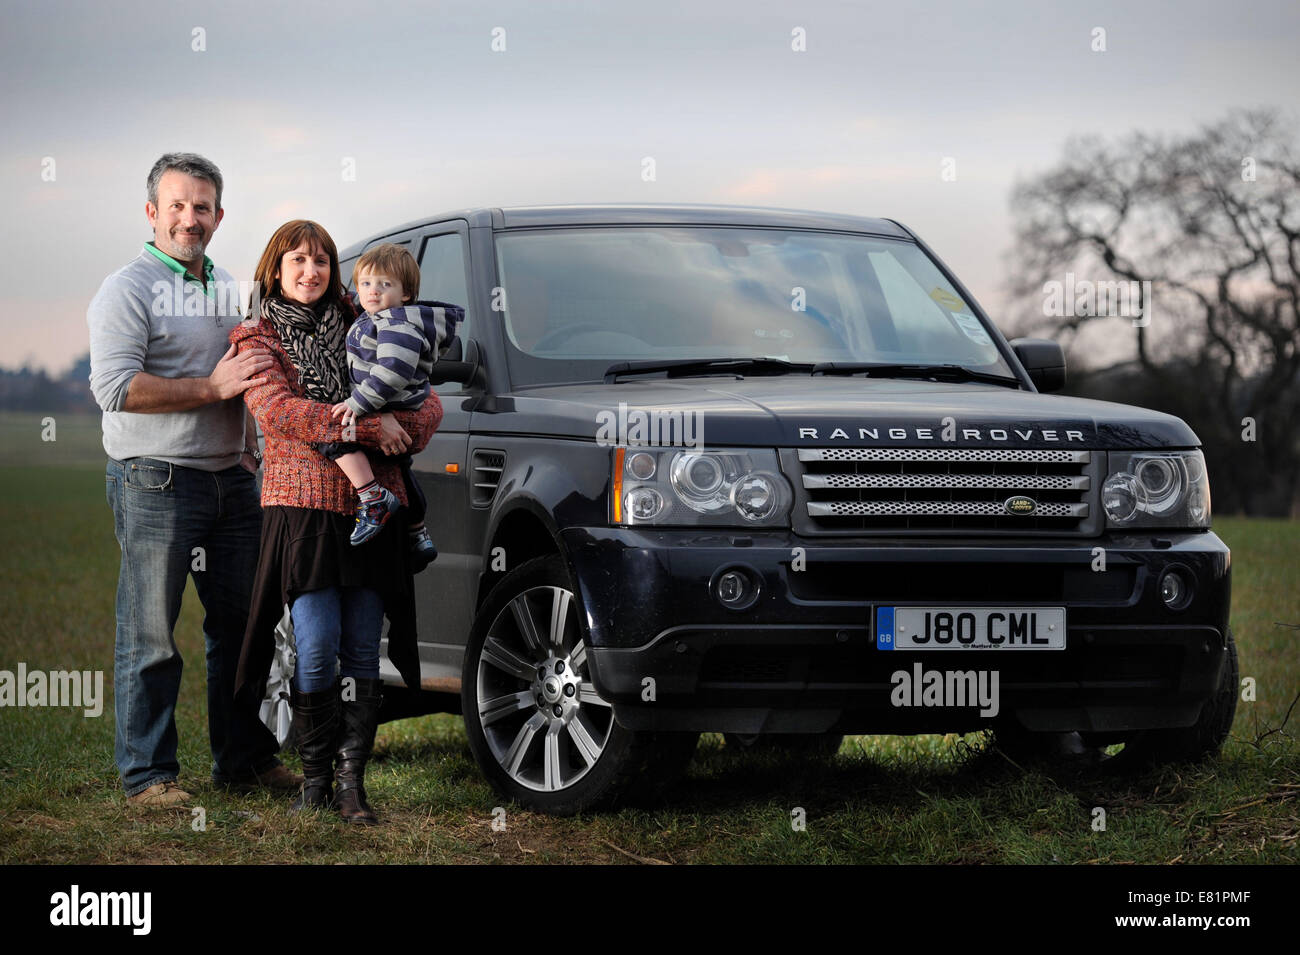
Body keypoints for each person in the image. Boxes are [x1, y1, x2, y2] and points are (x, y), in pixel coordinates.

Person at [87, 152, 300, 808]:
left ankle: (242, 760)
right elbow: (114, 387)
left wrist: (256, 452)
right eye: (176, 205)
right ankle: (148, 775)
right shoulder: (126, 289)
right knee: (152, 631)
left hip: (232, 483)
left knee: (244, 628)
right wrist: (209, 386)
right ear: (152, 212)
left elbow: (251, 381)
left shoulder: (232, 287)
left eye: (201, 207)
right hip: (155, 480)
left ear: (219, 215)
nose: (190, 218)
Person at [231, 220, 442, 825]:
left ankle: (351, 787)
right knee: (316, 648)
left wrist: (411, 426)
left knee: (360, 652)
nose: (311, 271)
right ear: (276, 268)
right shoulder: (257, 338)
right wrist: (374, 428)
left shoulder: (369, 324)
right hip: (301, 509)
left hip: (372, 511)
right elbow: (281, 412)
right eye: (297, 260)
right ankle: (314, 780)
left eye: (321, 261)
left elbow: (426, 400)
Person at [317, 242, 462, 563]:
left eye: (385, 285)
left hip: (391, 402)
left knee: (331, 435)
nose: (372, 291)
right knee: (400, 466)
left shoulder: (396, 324)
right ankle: (417, 530)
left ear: (405, 293)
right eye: (366, 283)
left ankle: (372, 497)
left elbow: (392, 371)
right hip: (392, 402)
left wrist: (358, 403)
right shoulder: (376, 317)